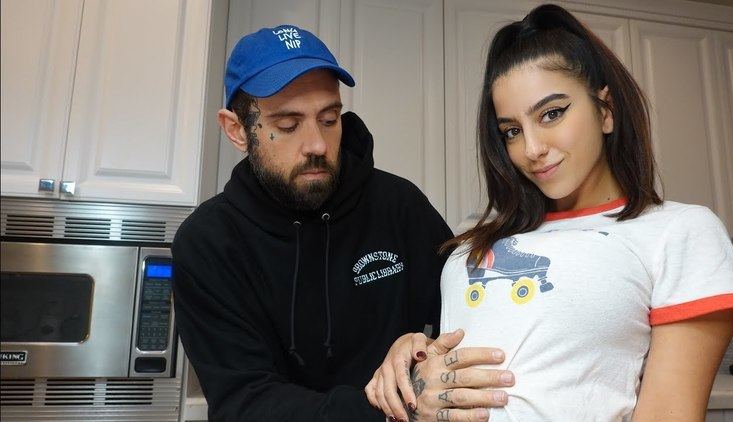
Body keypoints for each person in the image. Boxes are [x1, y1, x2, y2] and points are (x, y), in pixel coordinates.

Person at [367, 4, 733, 421]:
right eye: (511, 131)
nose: (531, 149)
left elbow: (667, 414)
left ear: (606, 110)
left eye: (552, 113)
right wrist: (412, 362)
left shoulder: (679, 231)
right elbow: (455, 361)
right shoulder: (475, 237)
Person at [171, 25, 515, 421]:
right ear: (237, 130)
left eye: (330, 119)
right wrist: (390, 408)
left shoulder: (399, 205)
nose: (317, 145)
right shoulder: (208, 243)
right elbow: (245, 402)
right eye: (288, 125)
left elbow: (473, 314)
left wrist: (421, 347)